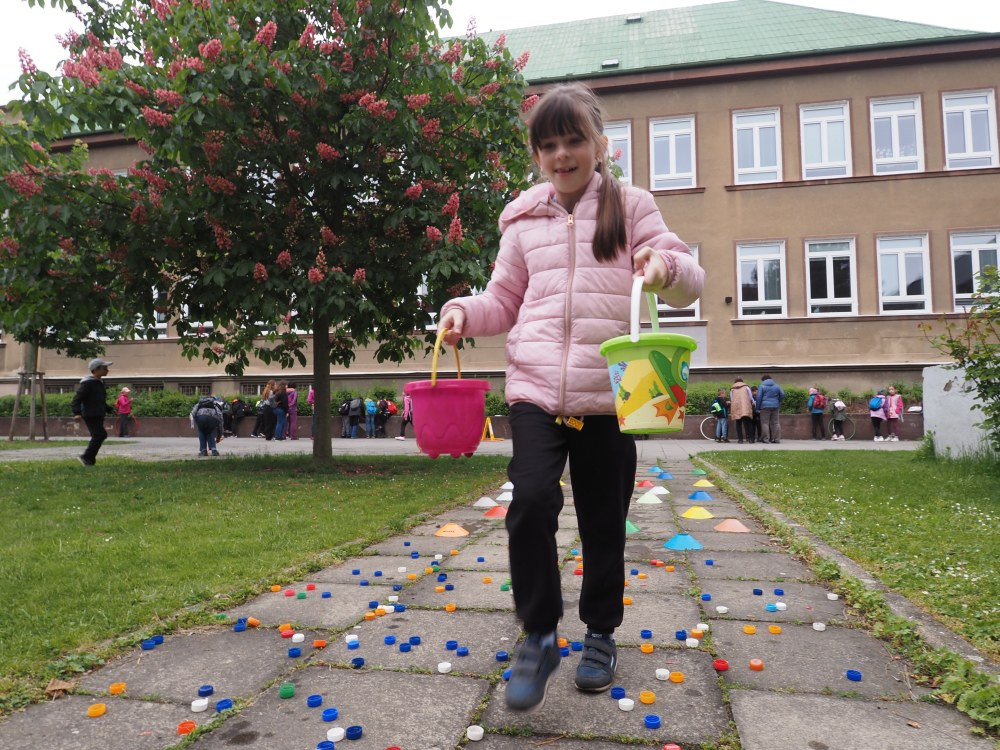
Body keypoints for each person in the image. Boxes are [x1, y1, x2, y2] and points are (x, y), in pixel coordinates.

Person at [436, 83, 703, 713]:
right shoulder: (522, 220)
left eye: (573, 141)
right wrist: (462, 311)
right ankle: (539, 635)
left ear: (599, 145)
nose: (562, 155)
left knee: (603, 520)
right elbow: (503, 300)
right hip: (535, 390)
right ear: (536, 155)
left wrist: (663, 269)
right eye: (548, 145)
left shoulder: (632, 207)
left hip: (609, 395)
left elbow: (690, 279)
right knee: (529, 500)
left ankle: (601, 634)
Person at [71, 358, 115, 466]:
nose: (107, 370)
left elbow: (99, 401)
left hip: (98, 413)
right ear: (96, 370)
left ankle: (89, 460)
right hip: (91, 414)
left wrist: (110, 410)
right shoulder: (88, 384)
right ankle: (86, 457)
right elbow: (77, 399)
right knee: (100, 435)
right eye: (104, 368)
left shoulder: (99, 383)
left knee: (98, 435)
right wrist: (77, 412)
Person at [755, 374, 785, 443]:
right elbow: (782, 394)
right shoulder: (777, 386)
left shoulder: (762, 386)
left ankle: (766, 439)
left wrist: (757, 408)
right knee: (776, 423)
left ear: (763, 380)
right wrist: (778, 401)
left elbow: (758, 397)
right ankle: (776, 439)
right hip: (775, 406)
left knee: (765, 423)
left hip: (764, 407)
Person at [729, 377, 754, 444]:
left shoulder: (732, 389)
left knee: (738, 423)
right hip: (745, 407)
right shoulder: (746, 387)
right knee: (749, 423)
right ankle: (751, 439)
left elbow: (731, 399)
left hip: (737, 408)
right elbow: (750, 397)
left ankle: (740, 440)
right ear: (742, 381)